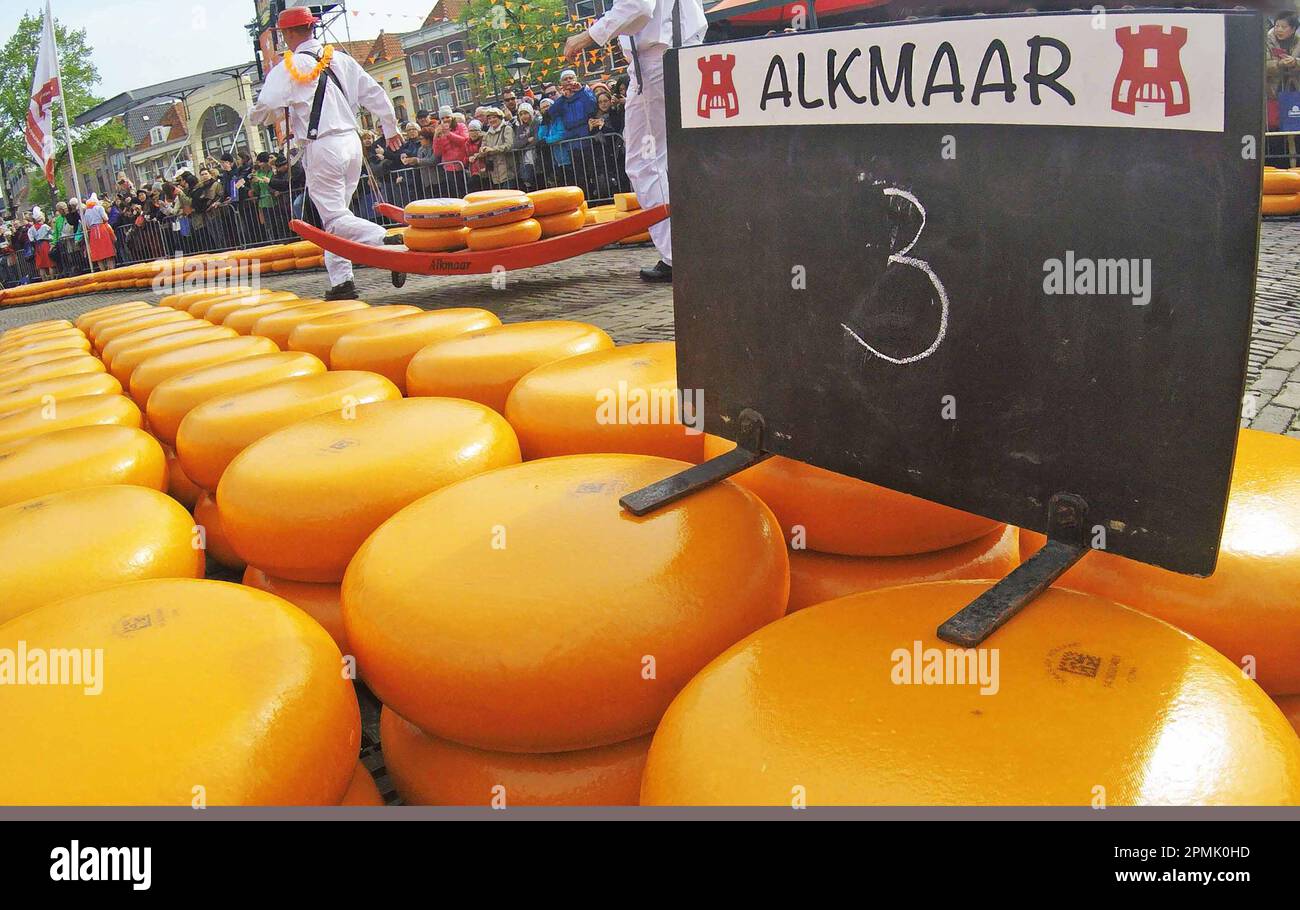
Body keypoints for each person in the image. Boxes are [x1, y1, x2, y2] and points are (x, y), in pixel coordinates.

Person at [249, 5, 402, 299]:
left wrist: (256, 118)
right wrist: (390, 127)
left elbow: (266, 106)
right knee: (338, 216)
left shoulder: (288, 68)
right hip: (352, 142)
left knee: (333, 219)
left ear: (290, 33)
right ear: (312, 28)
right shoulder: (342, 60)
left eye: (283, 35)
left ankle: (386, 242)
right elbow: (376, 93)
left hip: (323, 146)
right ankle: (341, 282)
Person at [566, 0, 707, 282]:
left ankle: (677, 255)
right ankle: (698, 244)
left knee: (647, 163)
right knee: (678, 157)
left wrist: (588, 36)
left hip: (656, 62)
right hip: (682, 54)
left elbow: (639, 6)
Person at [1268, 12, 1300, 129]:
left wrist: (1296, 62)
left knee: (1294, 128)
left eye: (1283, 27)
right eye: (1277, 26)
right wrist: (1279, 64)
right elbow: (1262, 65)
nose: (1279, 30)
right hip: (1272, 92)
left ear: (1293, 29)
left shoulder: (1298, 42)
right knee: (1274, 128)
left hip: (1295, 92)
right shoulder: (1266, 42)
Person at [81, 193, 116, 271]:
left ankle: (102, 271)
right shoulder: (99, 208)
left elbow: (87, 225)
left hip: (93, 232)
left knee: (98, 255)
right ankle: (112, 270)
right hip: (102, 229)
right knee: (108, 252)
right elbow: (105, 218)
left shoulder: (86, 212)